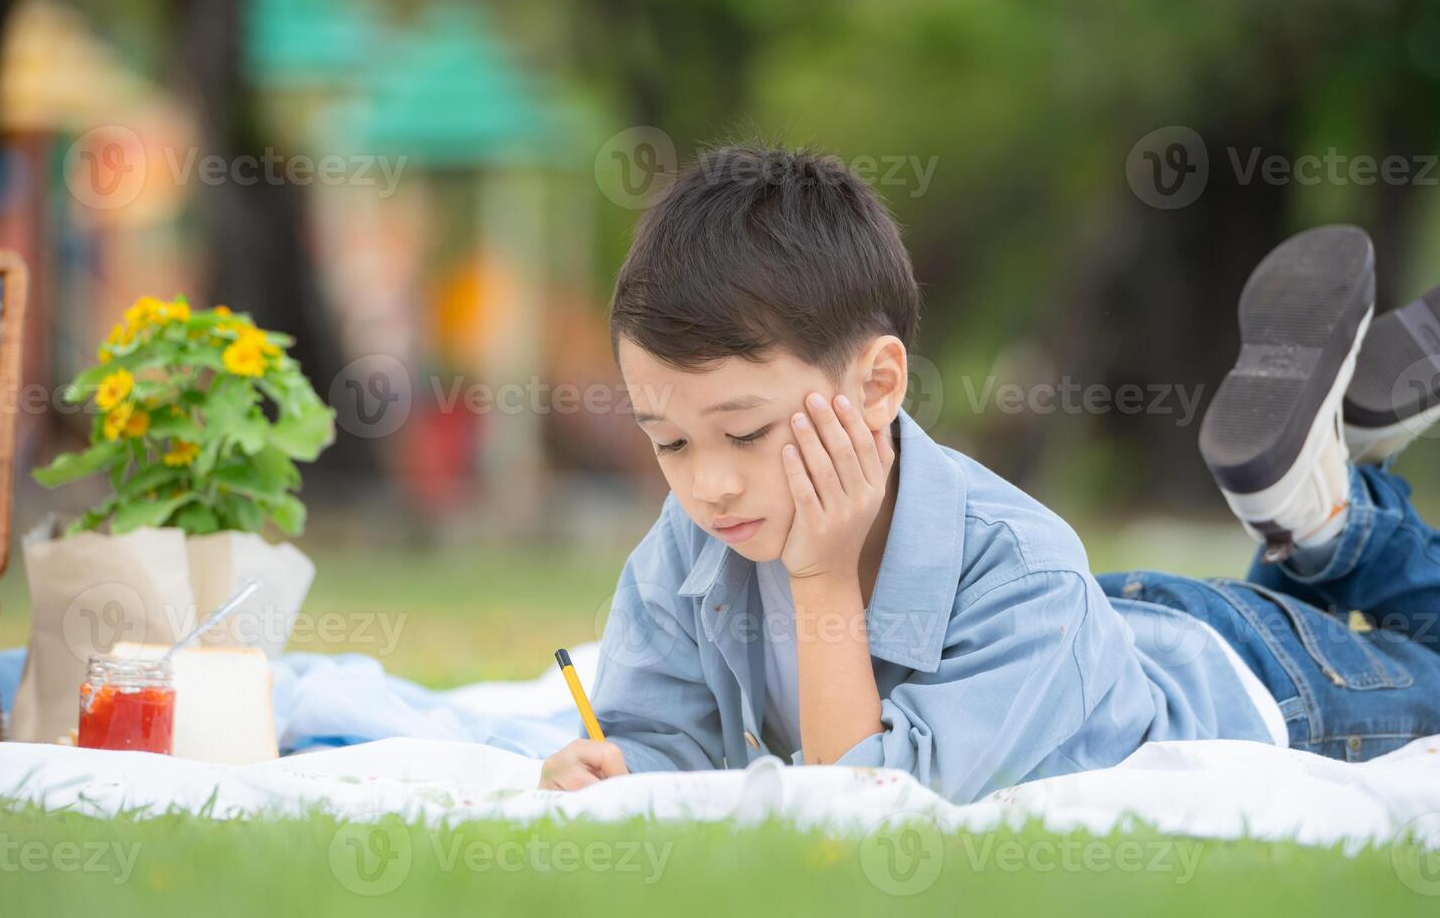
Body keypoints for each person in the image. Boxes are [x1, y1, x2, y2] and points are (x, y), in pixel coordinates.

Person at [539, 144, 1440, 799]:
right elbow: (665, 739)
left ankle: (1334, 525)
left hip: (1257, 680)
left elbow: (870, 808)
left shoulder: (1025, 568)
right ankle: (1313, 503)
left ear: (878, 386)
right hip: (1103, 628)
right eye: (670, 442)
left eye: (745, 432)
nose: (709, 486)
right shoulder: (692, 547)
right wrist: (624, 770)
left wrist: (819, 583)